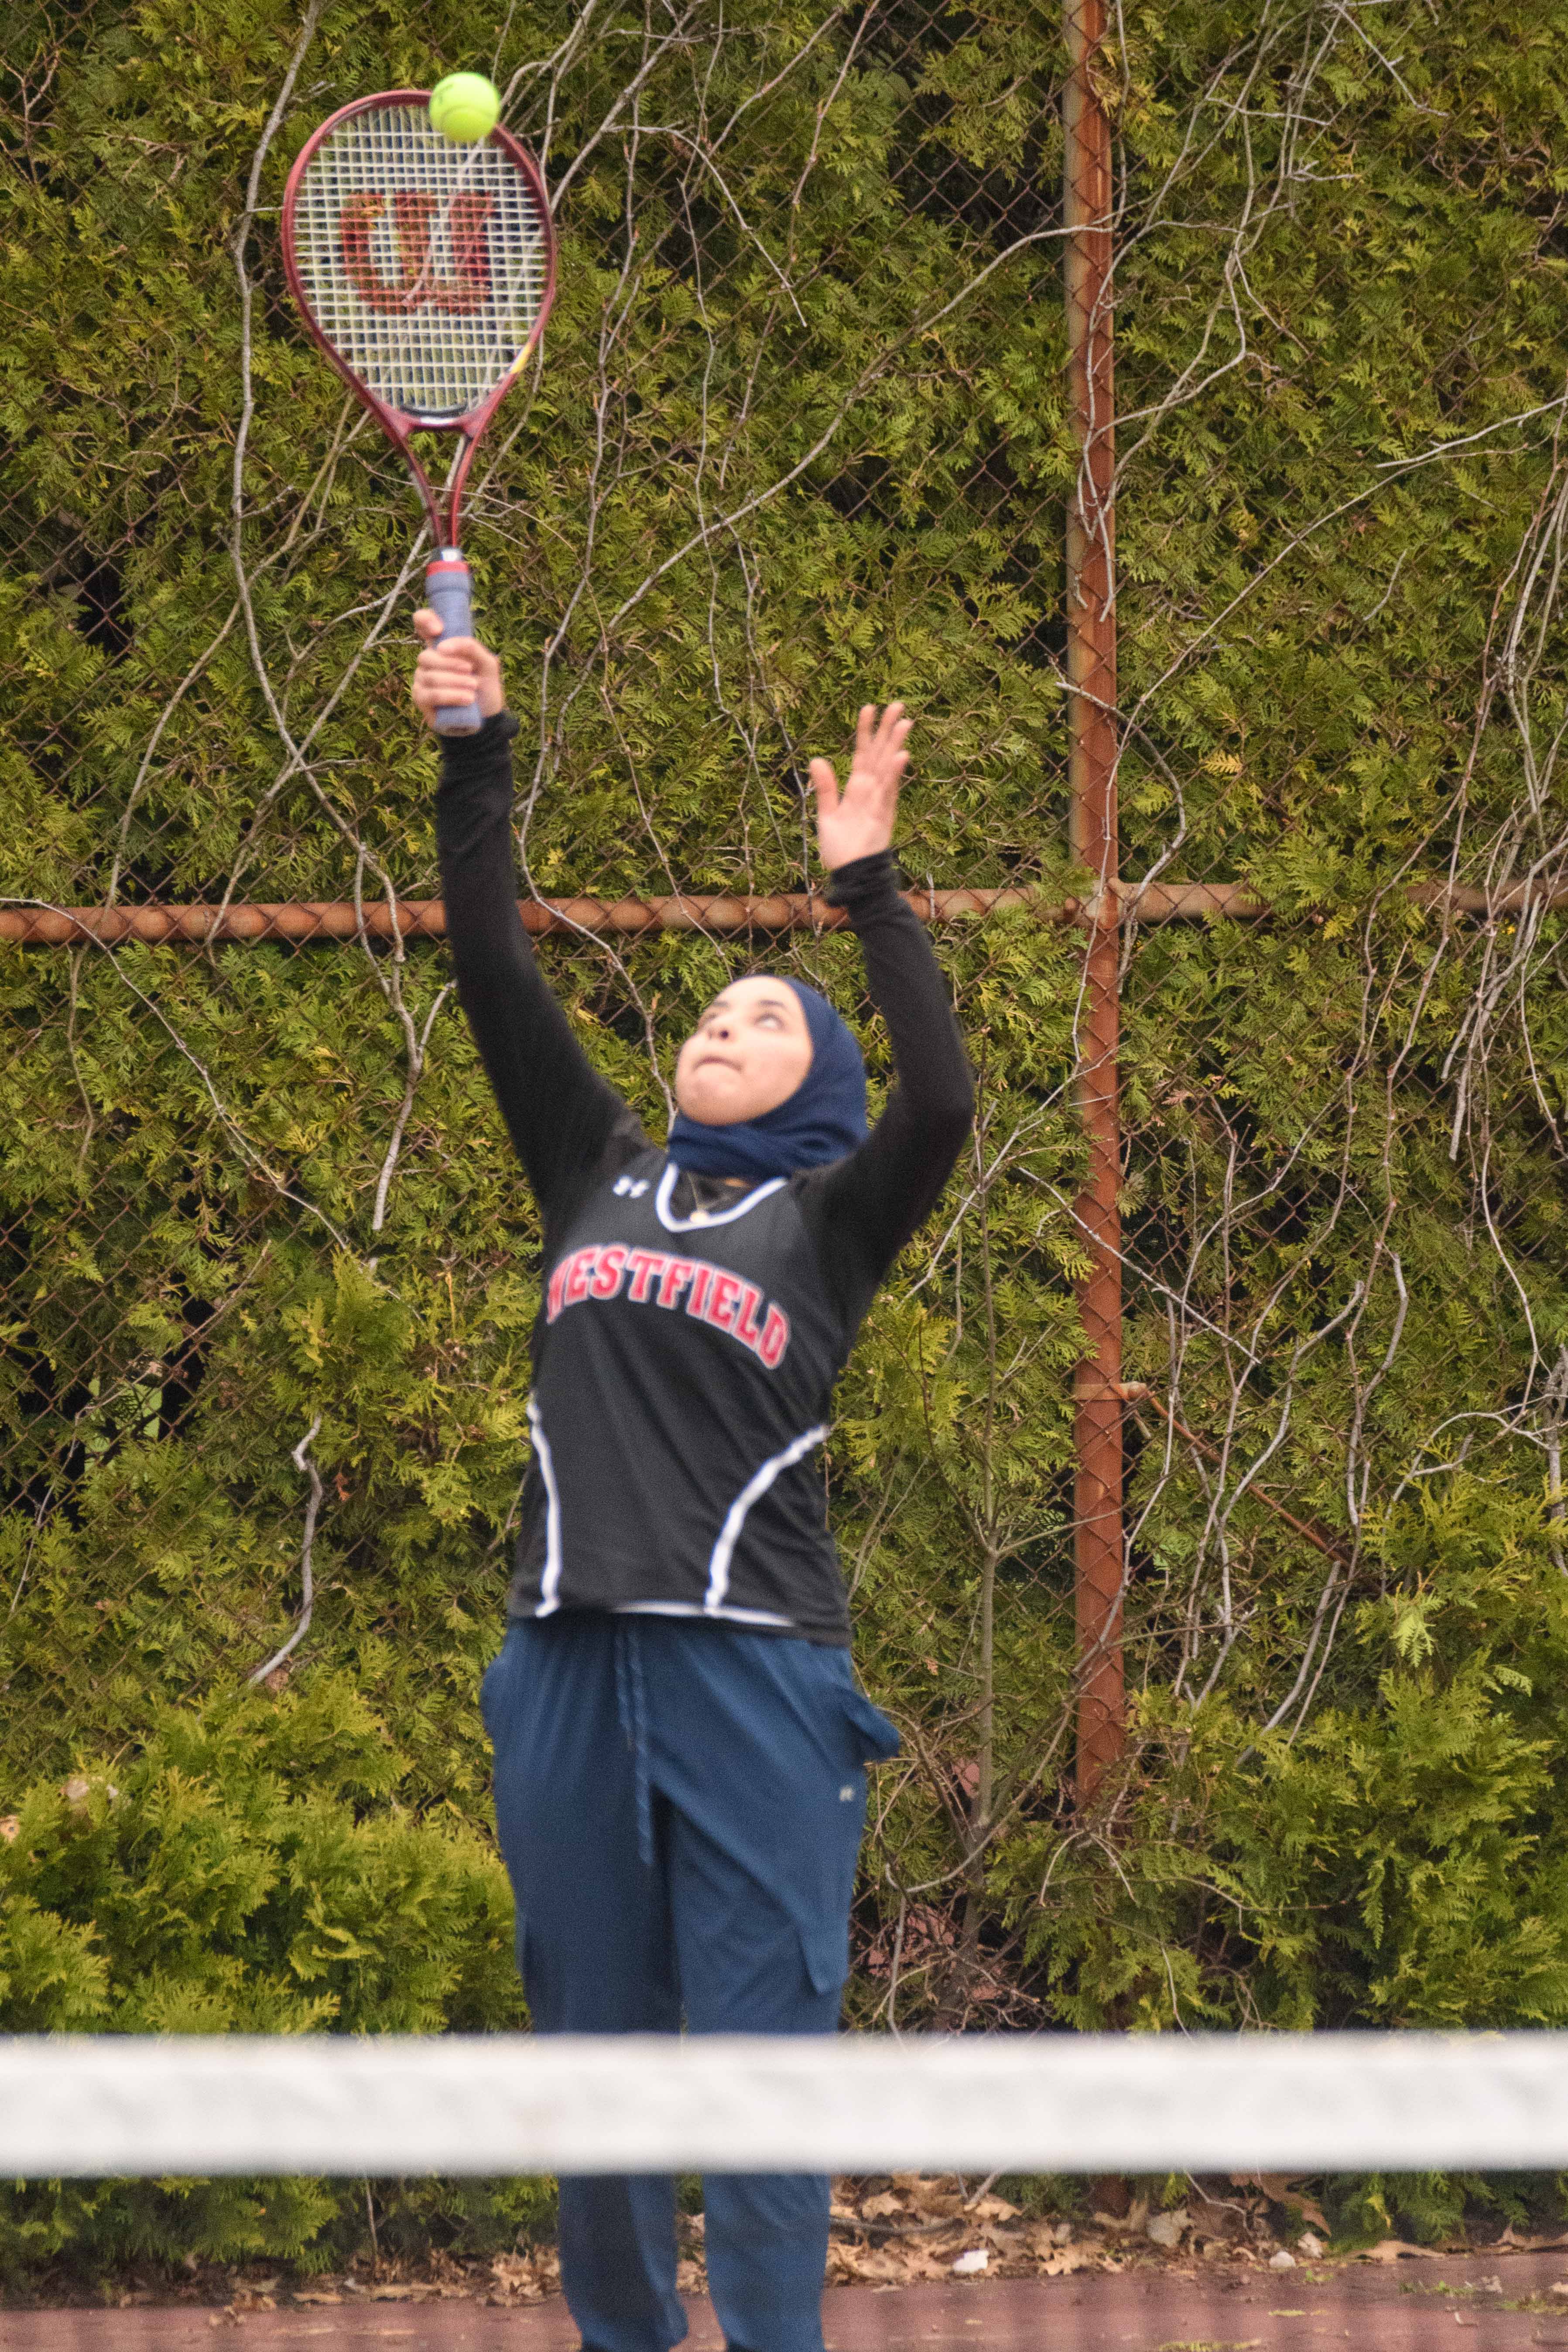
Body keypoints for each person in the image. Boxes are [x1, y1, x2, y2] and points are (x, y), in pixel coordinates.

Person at [412, 609, 974, 2352]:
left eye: (766, 1015)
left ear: (821, 1083)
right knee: (592, 2071)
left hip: (757, 1679)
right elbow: (493, 967)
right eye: (714, 1010)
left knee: (753, 2071)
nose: (725, 1022)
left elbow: (946, 1102)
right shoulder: (592, 1168)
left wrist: (865, 887)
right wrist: (475, 754)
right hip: (565, 1663)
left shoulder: (827, 1223)